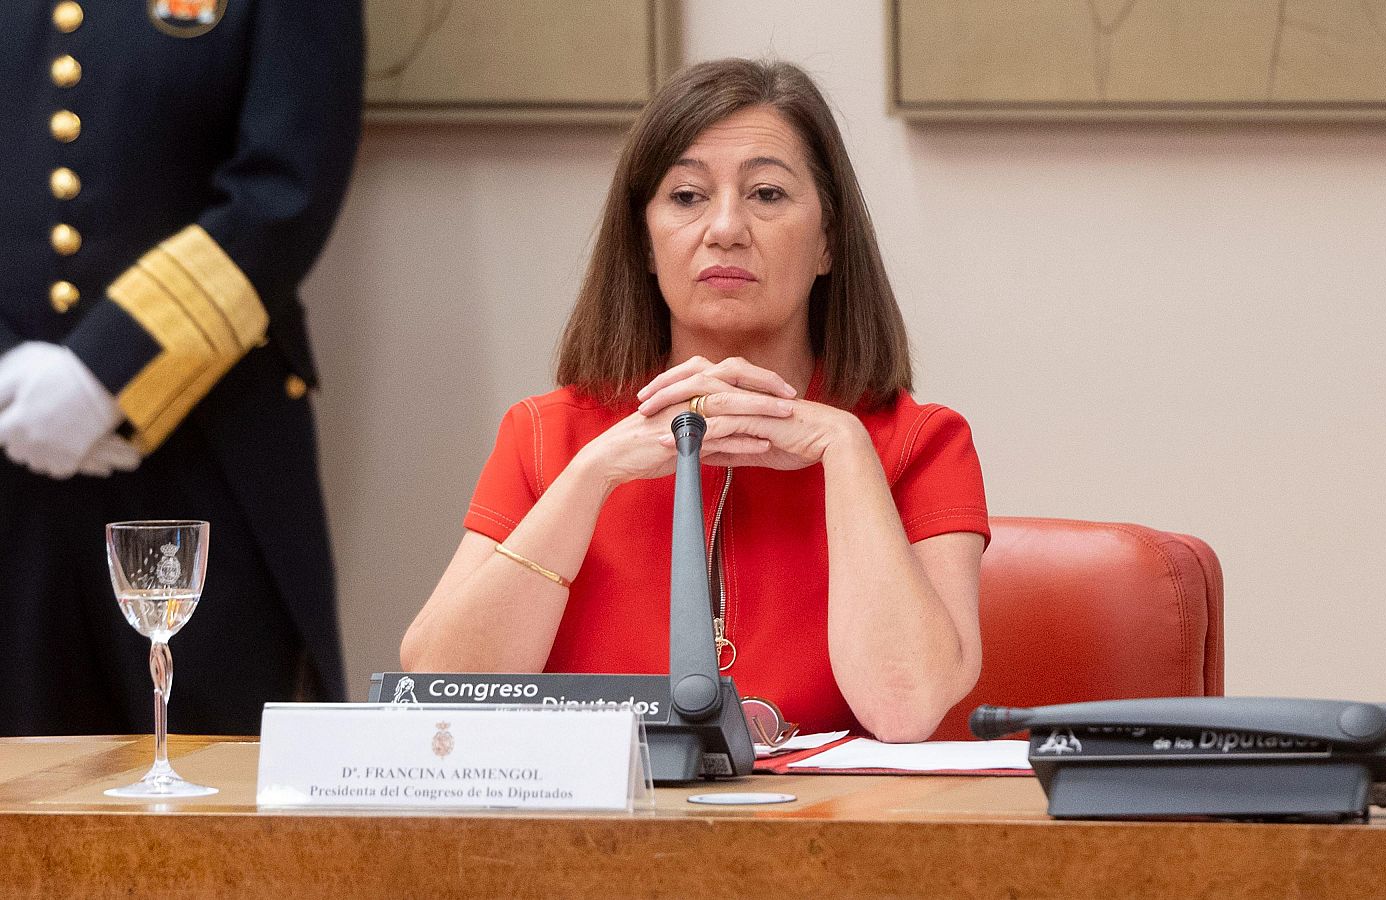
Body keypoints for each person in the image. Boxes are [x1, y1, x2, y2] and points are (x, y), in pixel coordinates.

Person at [402, 59, 989, 743]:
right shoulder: (546, 434)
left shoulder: (921, 443)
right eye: (686, 196)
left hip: (832, 812)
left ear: (828, 240)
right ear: (645, 243)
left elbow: (906, 708)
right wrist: (591, 474)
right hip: (610, 813)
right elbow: (438, 693)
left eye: (767, 194)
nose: (726, 228)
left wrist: (845, 450)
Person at [0, 0, 363, 736]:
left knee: (215, 776)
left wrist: (107, 369)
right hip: (7, 465)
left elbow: (285, 185)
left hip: (206, 448)